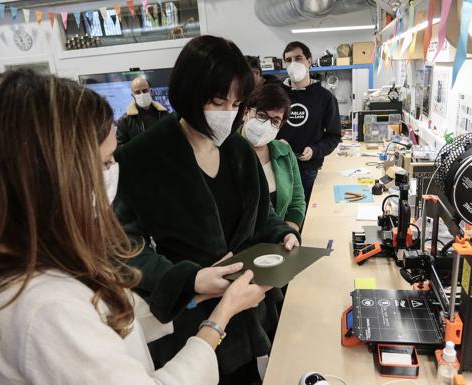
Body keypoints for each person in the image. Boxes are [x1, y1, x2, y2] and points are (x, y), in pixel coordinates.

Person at [0, 69, 269, 385]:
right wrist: (220, 318)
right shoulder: (45, 307)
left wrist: (192, 291)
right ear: (50, 177)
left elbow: (109, 327)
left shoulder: (37, 260)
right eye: (106, 162)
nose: (113, 173)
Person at [114, 35, 300, 384]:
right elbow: (123, 248)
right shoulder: (142, 157)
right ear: (189, 92)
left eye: (236, 103)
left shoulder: (238, 152)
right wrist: (189, 280)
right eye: (218, 101)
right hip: (187, 320)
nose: (227, 113)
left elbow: (263, 217)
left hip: (245, 309)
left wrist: (283, 234)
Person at [277, 41, 341, 205]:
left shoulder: (325, 98)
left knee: (305, 214)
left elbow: (334, 136)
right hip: (278, 168)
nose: (293, 64)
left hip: (309, 169)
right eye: (288, 60)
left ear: (309, 61)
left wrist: (315, 150)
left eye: (298, 58)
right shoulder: (276, 96)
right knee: (280, 215)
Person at [241, 84, 306, 231]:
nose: (266, 125)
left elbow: (297, 201)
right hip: (238, 248)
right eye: (262, 115)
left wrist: (288, 233)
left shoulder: (285, 152)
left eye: (275, 120)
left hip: (277, 242)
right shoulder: (225, 151)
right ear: (245, 112)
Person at [117, 77, 168, 145]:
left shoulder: (163, 114)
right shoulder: (124, 121)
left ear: (151, 91)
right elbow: (121, 147)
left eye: (145, 91)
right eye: (137, 92)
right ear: (133, 95)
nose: (142, 94)